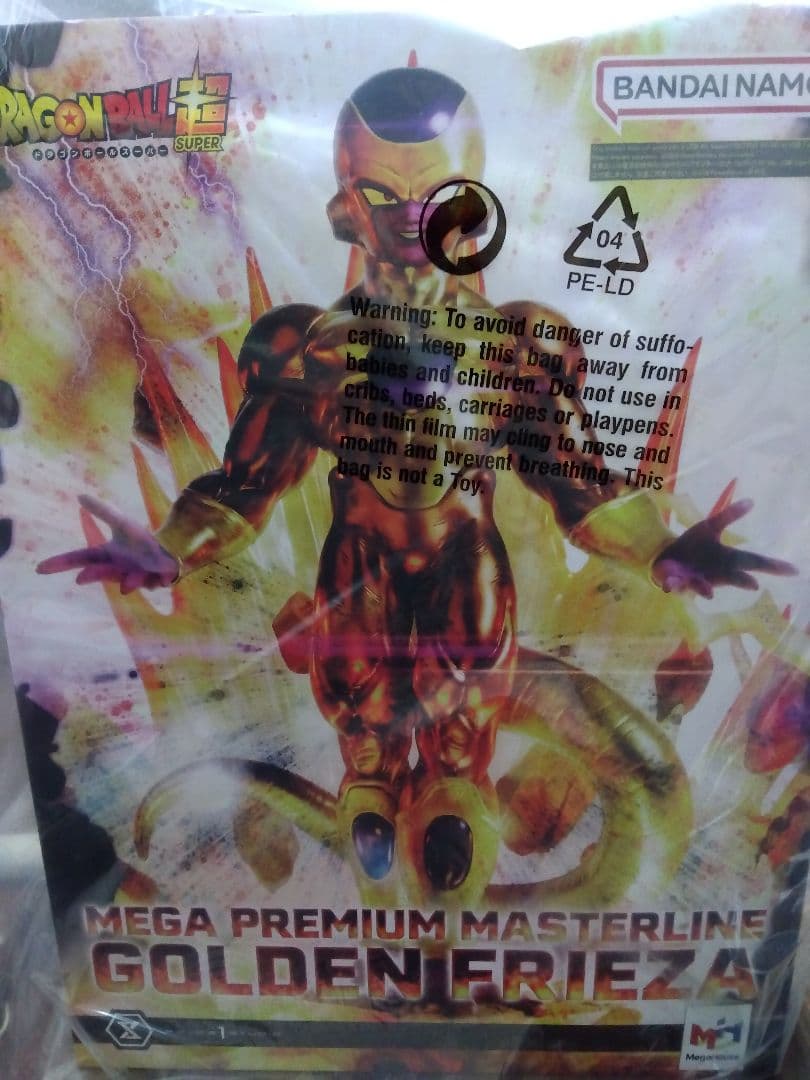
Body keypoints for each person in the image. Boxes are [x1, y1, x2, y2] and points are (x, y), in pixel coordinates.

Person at [38, 67, 793, 894]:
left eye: (434, 197)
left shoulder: (514, 347)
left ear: (473, 202)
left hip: (465, 583)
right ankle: (378, 839)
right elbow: (244, 486)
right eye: (381, 195)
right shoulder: (308, 350)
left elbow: (580, 490)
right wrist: (171, 548)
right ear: (344, 205)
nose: (408, 219)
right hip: (356, 582)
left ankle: (441, 870)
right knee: (369, 764)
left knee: (456, 767)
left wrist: (662, 548)